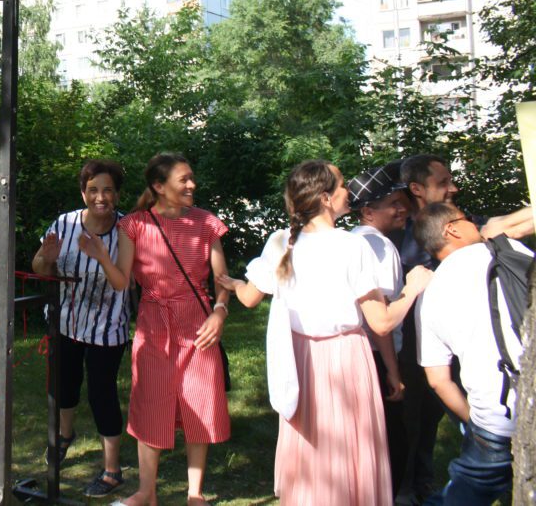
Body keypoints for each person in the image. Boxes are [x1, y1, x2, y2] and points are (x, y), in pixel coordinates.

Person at [217, 159, 432, 506]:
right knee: (350, 449)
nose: (349, 191)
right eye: (343, 184)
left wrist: (236, 283)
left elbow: (251, 297)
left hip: (299, 361)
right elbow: (380, 322)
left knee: (312, 449)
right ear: (326, 198)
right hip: (346, 361)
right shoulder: (352, 246)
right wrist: (412, 288)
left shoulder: (281, 242)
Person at [78, 153, 230, 506]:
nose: (192, 185)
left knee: (199, 399)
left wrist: (219, 312)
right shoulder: (134, 225)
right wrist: (102, 257)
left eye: (192, 178)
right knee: (151, 403)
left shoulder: (206, 223)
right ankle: (147, 492)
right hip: (154, 323)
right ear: (159, 187)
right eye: (184, 180)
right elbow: (121, 282)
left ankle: (195, 493)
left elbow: (222, 279)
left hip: (198, 322)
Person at [394, 153, 533, 503]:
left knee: (471, 472)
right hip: (412, 355)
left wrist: (475, 422)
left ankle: (425, 483)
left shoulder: (435, 286)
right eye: (443, 182)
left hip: (486, 403)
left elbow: (439, 381)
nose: (454, 188)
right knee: (414, 425)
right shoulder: (398, 236)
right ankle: (407, 486)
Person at [32, 159, 131, 498]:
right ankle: (64, 435)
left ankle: (113, 470)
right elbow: (39, 266)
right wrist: (46, 257)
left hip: (108, 325)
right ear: (83, 193)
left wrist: (102, 255)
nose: (100, 197)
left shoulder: (127, 229)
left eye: (107, 190)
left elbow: (123, 282)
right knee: (63, 385)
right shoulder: (65, 223)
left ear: (117, 194)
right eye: (93, 190)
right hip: (65, 321)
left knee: (102, 393)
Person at [347, 162, 411, 499]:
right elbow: (380, 318)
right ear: (368, 211)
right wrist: (392, 370)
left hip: (357, 353)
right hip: (375, 354)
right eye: (394, 204)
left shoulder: (352, 241)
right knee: (392, 443)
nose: (403, 209)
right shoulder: (380, 247)